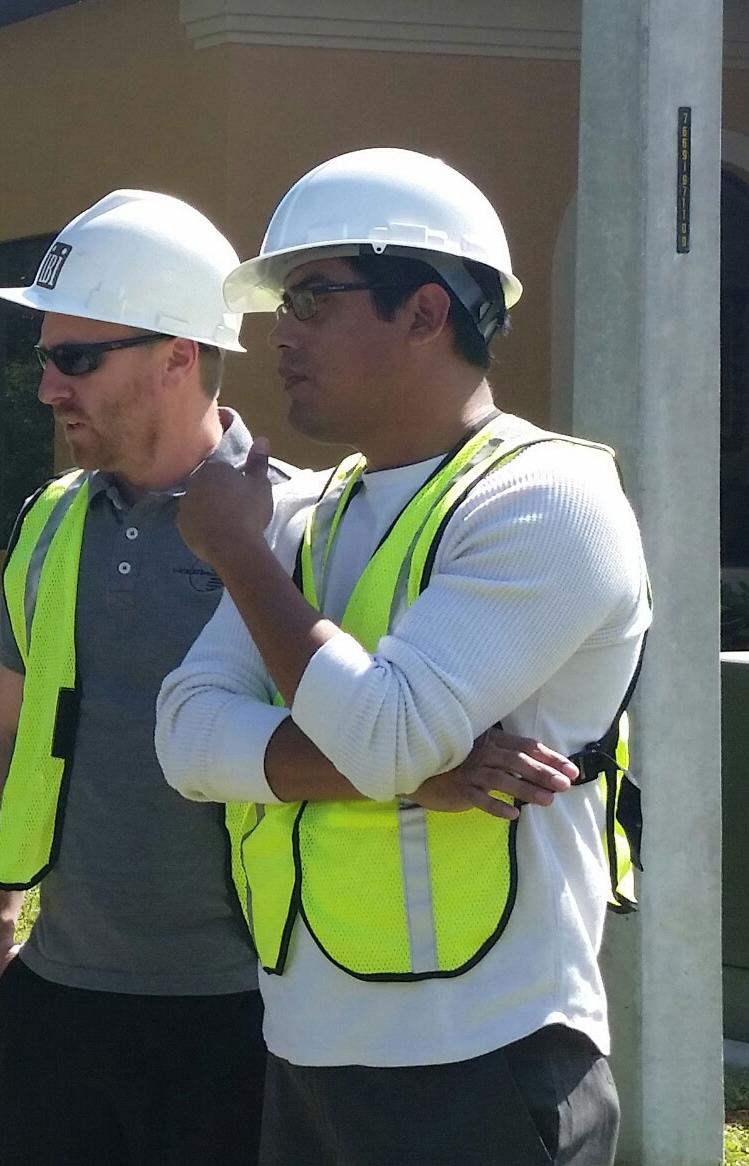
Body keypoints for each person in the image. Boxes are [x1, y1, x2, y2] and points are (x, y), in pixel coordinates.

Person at [156, 148, 645, 1166]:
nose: (279, 333)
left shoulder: (546, 498)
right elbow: (186, 739)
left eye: (311, 298)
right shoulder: (314, 512)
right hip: (306, 1053)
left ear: (425, 313)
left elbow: (385, 735)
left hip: (486, 1058)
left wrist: (238, 554)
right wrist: (417, 775)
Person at [0, 190, 276, 1166]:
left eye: (76, 359)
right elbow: (3, 729)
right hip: (56, 1010)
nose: (47, 388)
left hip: (248, 1023)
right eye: (45, 358)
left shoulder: (294, 528)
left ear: (177, 356)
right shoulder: (50, 522)